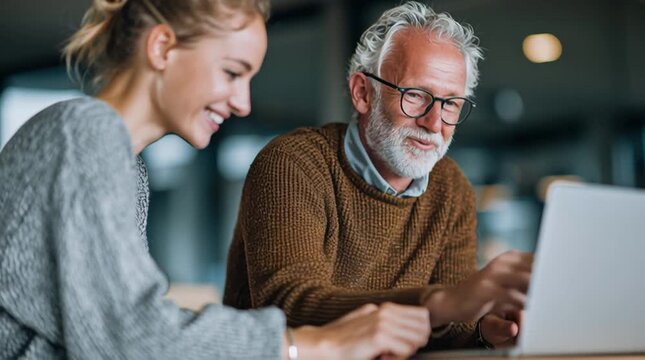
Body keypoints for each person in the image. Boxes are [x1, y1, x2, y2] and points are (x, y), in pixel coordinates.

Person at [0, 0, 433, 358]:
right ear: (163, 47)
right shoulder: (82, 132)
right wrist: (317, 344)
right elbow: (133, 335)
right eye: (231, 72)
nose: (244, 103)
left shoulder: (128, 169)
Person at [223, 0, 533, 351]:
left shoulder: (450, 186)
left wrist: (483, 331)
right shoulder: (293, 164)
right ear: (363, 93)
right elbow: (288, 306)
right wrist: (441, 303)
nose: (434, 123)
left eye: (451, 104)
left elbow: (444, 329)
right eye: (416, 96)